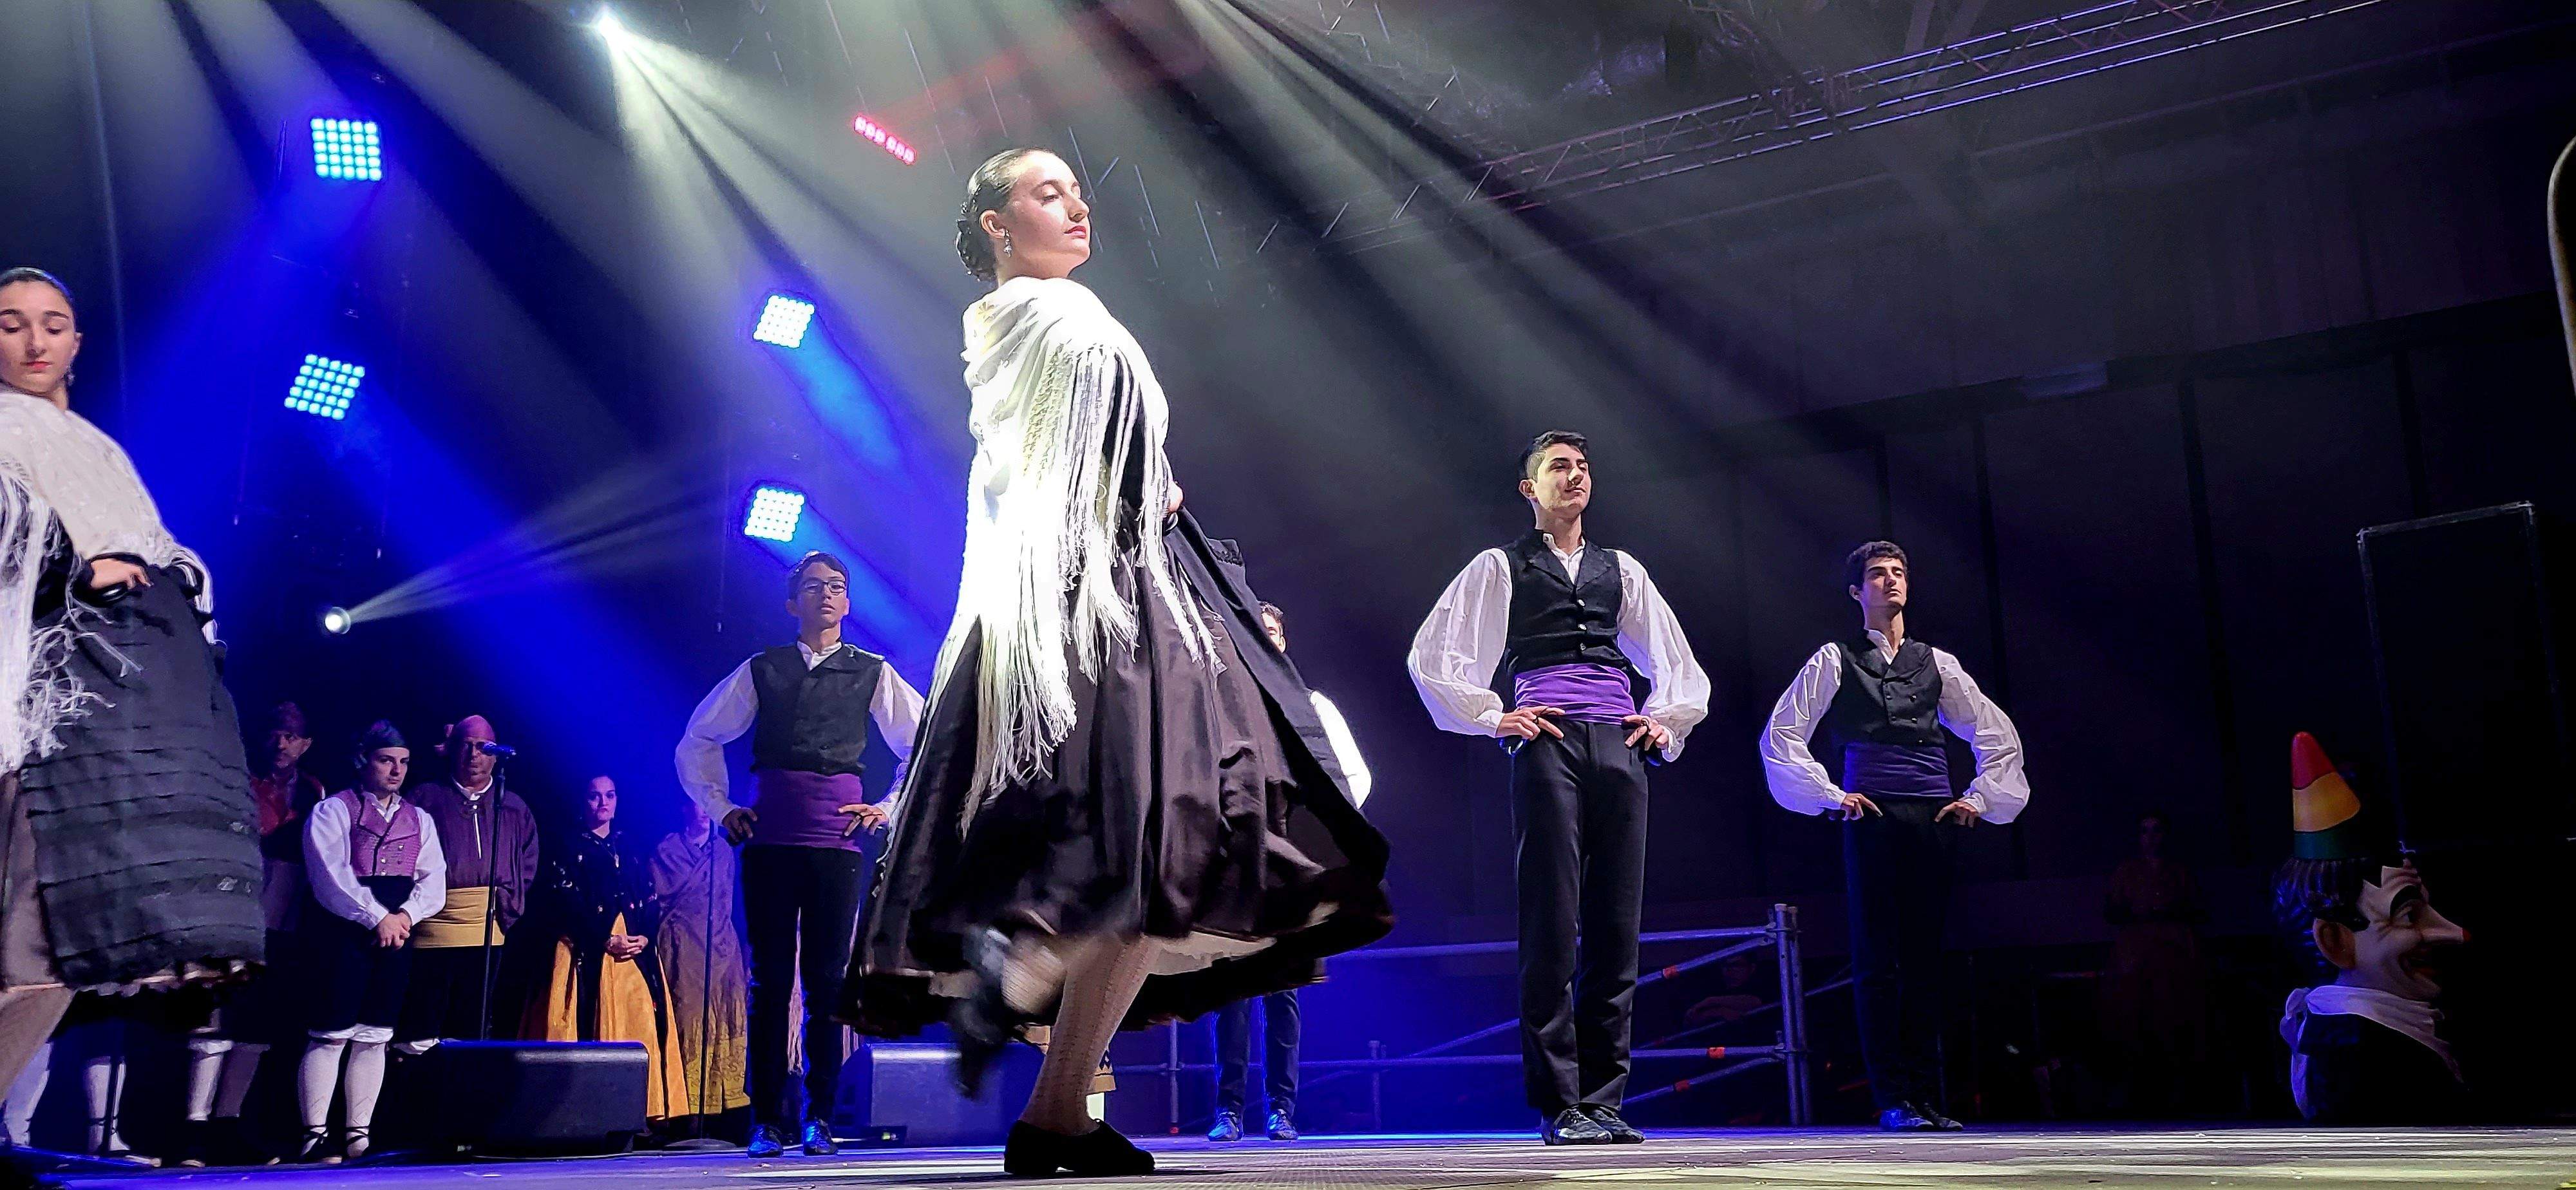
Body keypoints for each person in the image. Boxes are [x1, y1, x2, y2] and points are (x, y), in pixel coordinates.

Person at [842, 147, 1391, 1179]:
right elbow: (1093, 458)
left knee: (1160, 862)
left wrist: (1150, 487)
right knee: (1157, 835)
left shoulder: (1023, 321)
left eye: (1078, 190)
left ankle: (1058, 1113)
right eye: (1048, 192)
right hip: (1101, 600)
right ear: (998, 223)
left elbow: (1068, 456)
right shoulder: (1051, 314)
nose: (1077, 205)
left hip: (1105, 586)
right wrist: (1151, 489)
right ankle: (1017, 961)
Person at [0, 267, 265, 1149]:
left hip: (124, 699)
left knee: (65, 940)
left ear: (77, 341)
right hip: (44, 705)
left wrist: (176, 574)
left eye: (53, 324)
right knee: (34, 929)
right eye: (11, 323)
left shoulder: (100, 446)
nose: (34, 341)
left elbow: (150, 544)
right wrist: (75, 571)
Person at [1408, 430, 1710, 1147]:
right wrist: (1494, 716)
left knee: (1616, 921)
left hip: (1618, 743)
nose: (1575, 476)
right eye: (1559, 467)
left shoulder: (1620, 568)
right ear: (1530, 488)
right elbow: (1435, 655)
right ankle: (1560, 1102)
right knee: (1551, 917)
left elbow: (1674, 659)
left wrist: (1664, 722)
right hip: (1548, 742)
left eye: (1582, 466)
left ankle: (1604, 1099)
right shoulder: (1500, 565)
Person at [1759, 540, 2029, 1131]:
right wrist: (1832, 795)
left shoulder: (1937, 663)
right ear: (1856, 591)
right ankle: (1893, 1097)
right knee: (1878, 958)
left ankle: (1928, 1095)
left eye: (1899, 572)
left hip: (1933, 816)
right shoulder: (1836, 659)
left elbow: (1994, 734)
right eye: (1878, 574)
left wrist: (1978, 798)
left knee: (1926, 958)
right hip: (1873, 817)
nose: (1891, 581)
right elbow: (1782, 735)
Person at [675, 550, 925, 1158]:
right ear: (793, 603)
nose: (826, 595)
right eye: (813, 587)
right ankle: (766, 1120)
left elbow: (924, 742)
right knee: (769, 981)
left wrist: (887, 806)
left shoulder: (871, 671)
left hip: (835, 843)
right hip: (770, 841)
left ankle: (820, 1117)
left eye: (836, 586)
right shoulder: (765, 668)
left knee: (826, 982)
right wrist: (722, 808)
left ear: (848, 602)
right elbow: (699, 737)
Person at [1208, 602, 1373, 1144]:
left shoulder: (1311, 705)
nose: (1266, 639)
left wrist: (1320, 836)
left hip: (1292, 860)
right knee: (1230, 992)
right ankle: (1229, 1110)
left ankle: (1282, 1110)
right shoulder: (1220, 702)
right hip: (1236, 860)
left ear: (1283, 640)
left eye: (1273, 631)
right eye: (1257, 630)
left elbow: (1353, 776)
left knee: (1284, 992)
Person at [2274, 732, 2470, 1123]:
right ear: (2335, 942)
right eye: (2408, 917)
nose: (2453, 933)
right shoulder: (2361, 1052)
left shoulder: (2365, 1036)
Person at [181, 701, 327, 1166]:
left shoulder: (314, 791)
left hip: (282, 921)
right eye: (274, 733)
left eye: (291, 736)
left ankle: (229, 1125)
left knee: (255, 1029)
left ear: (306, 744)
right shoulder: (236, 779)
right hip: (229, 914)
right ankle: (194, 1131)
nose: (281, 743)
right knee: (214, 1023)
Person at [296, 722, 446, 1164]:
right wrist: (376, 916)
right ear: (364, 760)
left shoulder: (419, 818)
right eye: (386, 760)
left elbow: (434, 877)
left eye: (403, 762)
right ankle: (314, 1134)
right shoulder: (333, 810)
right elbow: (330, 875)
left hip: (397, 931)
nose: (396, 770)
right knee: (331, 1032)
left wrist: (405, 916)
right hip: (344, 932)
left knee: (375, 1035)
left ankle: (357, 1133)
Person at [522, 775, 688, 1119]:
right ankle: (578, 1114)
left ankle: (637, 1111)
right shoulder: (567, 846)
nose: (603, 803)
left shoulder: (629, 847)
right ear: (583, 802)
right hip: (584, 949)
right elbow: (564, 900)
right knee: (581, 1021)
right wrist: (602, 938)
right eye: (595, 797)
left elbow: (649, 896)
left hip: (632, 952)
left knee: (642, 1020)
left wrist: (645, 936)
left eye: (610, 796)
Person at [399, 715, 538, 1050]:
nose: (474, 755)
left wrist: (508, 902)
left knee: (473, 1024)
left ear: (495, 755)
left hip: (488, 926)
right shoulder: (425, 799)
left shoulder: (513, 806)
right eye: (466, 746)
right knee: (422, 1024)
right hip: (433, 926)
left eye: (482, 748)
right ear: (451, 750)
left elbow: (528, 860)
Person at [2099, 809, 2209, 1116]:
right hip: (2136, 956)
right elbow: (2112, 910)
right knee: (2135, 1020)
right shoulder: (2127, 872)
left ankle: (2181, 1091)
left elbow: (2197, 908)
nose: (2151, 838)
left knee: (2175, 1019)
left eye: (2156, 831)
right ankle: (2139, 1092)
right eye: (2145, 831)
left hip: (2174, 954)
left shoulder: (2179, 872)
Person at [649, 798, 750, 1124]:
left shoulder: (723, 851)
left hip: (722, 946)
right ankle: (684, 1111)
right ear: (685, 808)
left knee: (724, 1019)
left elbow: (729, 901)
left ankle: (721, 1111)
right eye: (698, 805)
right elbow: (662, 903)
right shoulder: (667, 851)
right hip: (683, 947)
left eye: (709, 806)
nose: (705, 813)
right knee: (687, 1018)